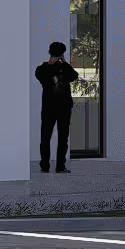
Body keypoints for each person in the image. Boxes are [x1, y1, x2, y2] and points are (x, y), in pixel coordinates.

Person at [35, 41, 81, 173]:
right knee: (46, 136)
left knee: (61, 137)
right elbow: (41, 76)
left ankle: (60, 166)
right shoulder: (43, 68)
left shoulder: (65, 68)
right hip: (50, 108)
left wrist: (64, 62)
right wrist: (51, 63)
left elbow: (74, 76)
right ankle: (46, 165)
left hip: (63, 108)